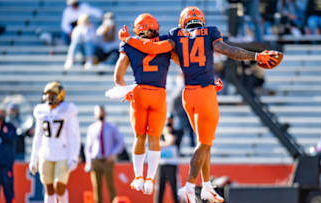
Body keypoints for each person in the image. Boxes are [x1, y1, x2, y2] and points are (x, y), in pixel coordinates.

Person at [119, 6, 282, 202]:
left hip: (188, 93)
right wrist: (255, 56)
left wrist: (129, 40)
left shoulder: (175, 35)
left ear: (182, 22)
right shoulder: (210, 32)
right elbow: (228, 50)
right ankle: (189, 187)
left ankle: (206, 186)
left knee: (205, 143)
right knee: (204, 143)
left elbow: (155, 49)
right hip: (204, 92)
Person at [114, 13, 174, 195]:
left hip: (140, 93)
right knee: (154, 138)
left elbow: (118, 76)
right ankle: (149, 178)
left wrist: (125, 91)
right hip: (159, 94)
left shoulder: (130, 44)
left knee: (139, 136)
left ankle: (139, 176)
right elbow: (182, 61)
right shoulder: (166, 41)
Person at [29, 81, 81, 203]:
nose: (49, 97)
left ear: (60, 96)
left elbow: (74, 136)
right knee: (49, 188)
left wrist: (73, 156)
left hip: (62, 153)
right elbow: (38, 136)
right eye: (47, 94)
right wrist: (33, 158)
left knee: (59, 187)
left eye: (52, 94)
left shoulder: (68, 110)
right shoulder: (41, 111)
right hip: (46, 153)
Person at [84, 105, 125, 203]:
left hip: (107, 160)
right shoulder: (91, 128)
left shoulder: (112, 127)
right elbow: (88, 147)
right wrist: (89, 162)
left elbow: (120, 142)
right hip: (96, 160)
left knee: (110, 186)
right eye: (99, 112)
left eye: (102, 111)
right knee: (96, 187)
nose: (100, 114)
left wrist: (113, 154)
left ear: (105, 113)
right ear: (95, 114)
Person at [154, 123, 179, 203]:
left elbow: (170, 141)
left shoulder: (175, 134)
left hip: (172, 166)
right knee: (160, 189)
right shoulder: (159, 135)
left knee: (174, 188)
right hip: (161, 165)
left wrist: (166, 134)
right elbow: (155, 145)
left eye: (169, 126)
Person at [0, 108, 17, 203]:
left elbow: (11, 139)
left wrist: (0, 132)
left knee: (8, 191)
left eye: (2, 114)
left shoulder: (10, 127)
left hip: (6, 165)